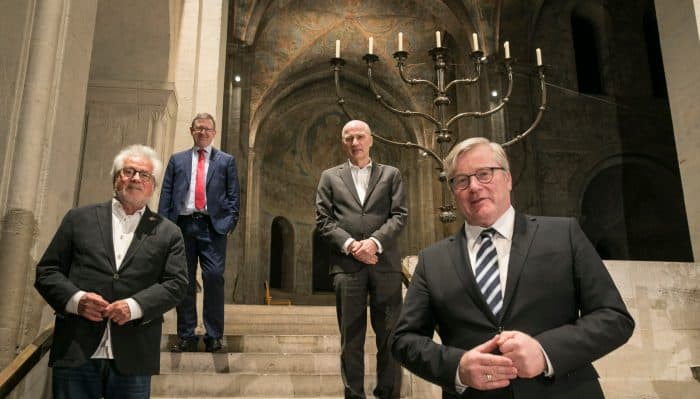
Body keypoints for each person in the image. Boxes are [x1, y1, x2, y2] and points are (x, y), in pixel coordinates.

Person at [391, 137, 635, 399]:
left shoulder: (563, 234)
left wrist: (545, 352)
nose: (474, 186)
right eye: (461, 180)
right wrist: (457, 368)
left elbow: (614, 317)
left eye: (484, 174)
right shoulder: (432, 260)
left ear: (507, 178)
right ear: (453, 192)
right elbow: (404, 340)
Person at [35, 144, 188, 399]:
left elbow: (176, 284)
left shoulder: (169, 232)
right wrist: (77, 301)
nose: (136, 178)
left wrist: (135, 306)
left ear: (153, 186)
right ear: (116, 178)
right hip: (76, 349)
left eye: (144, 175)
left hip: (134, 353)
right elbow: (47, 271)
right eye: (128, 171)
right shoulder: (78, 218)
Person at [315, 120, 408, 399]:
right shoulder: (329, 177)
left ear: (371, 140)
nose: (355, 142)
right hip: (347, 266)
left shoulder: (391, 174)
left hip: (386, 266)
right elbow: (323, 220)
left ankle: (387, 393)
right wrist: (353, 245)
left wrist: (374, 243)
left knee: (390, 336)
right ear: (343, 142)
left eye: (359, 137)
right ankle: (354, 395)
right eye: (348, 138)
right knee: (351, 339)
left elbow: (400, 215)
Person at [158, 112, 240, 353]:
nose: (203, 132)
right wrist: (165, 226)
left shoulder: (226, 161)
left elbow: (234, 194)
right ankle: (186, 335)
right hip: (182, 225)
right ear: (191, 131)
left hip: (212, 227)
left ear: (214, 133)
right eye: (198, 128)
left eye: (207, 129)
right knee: (183, 280)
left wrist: (230, 221)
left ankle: (214, 335)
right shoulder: (177, 160)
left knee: (214, 277)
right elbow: (166, 193)